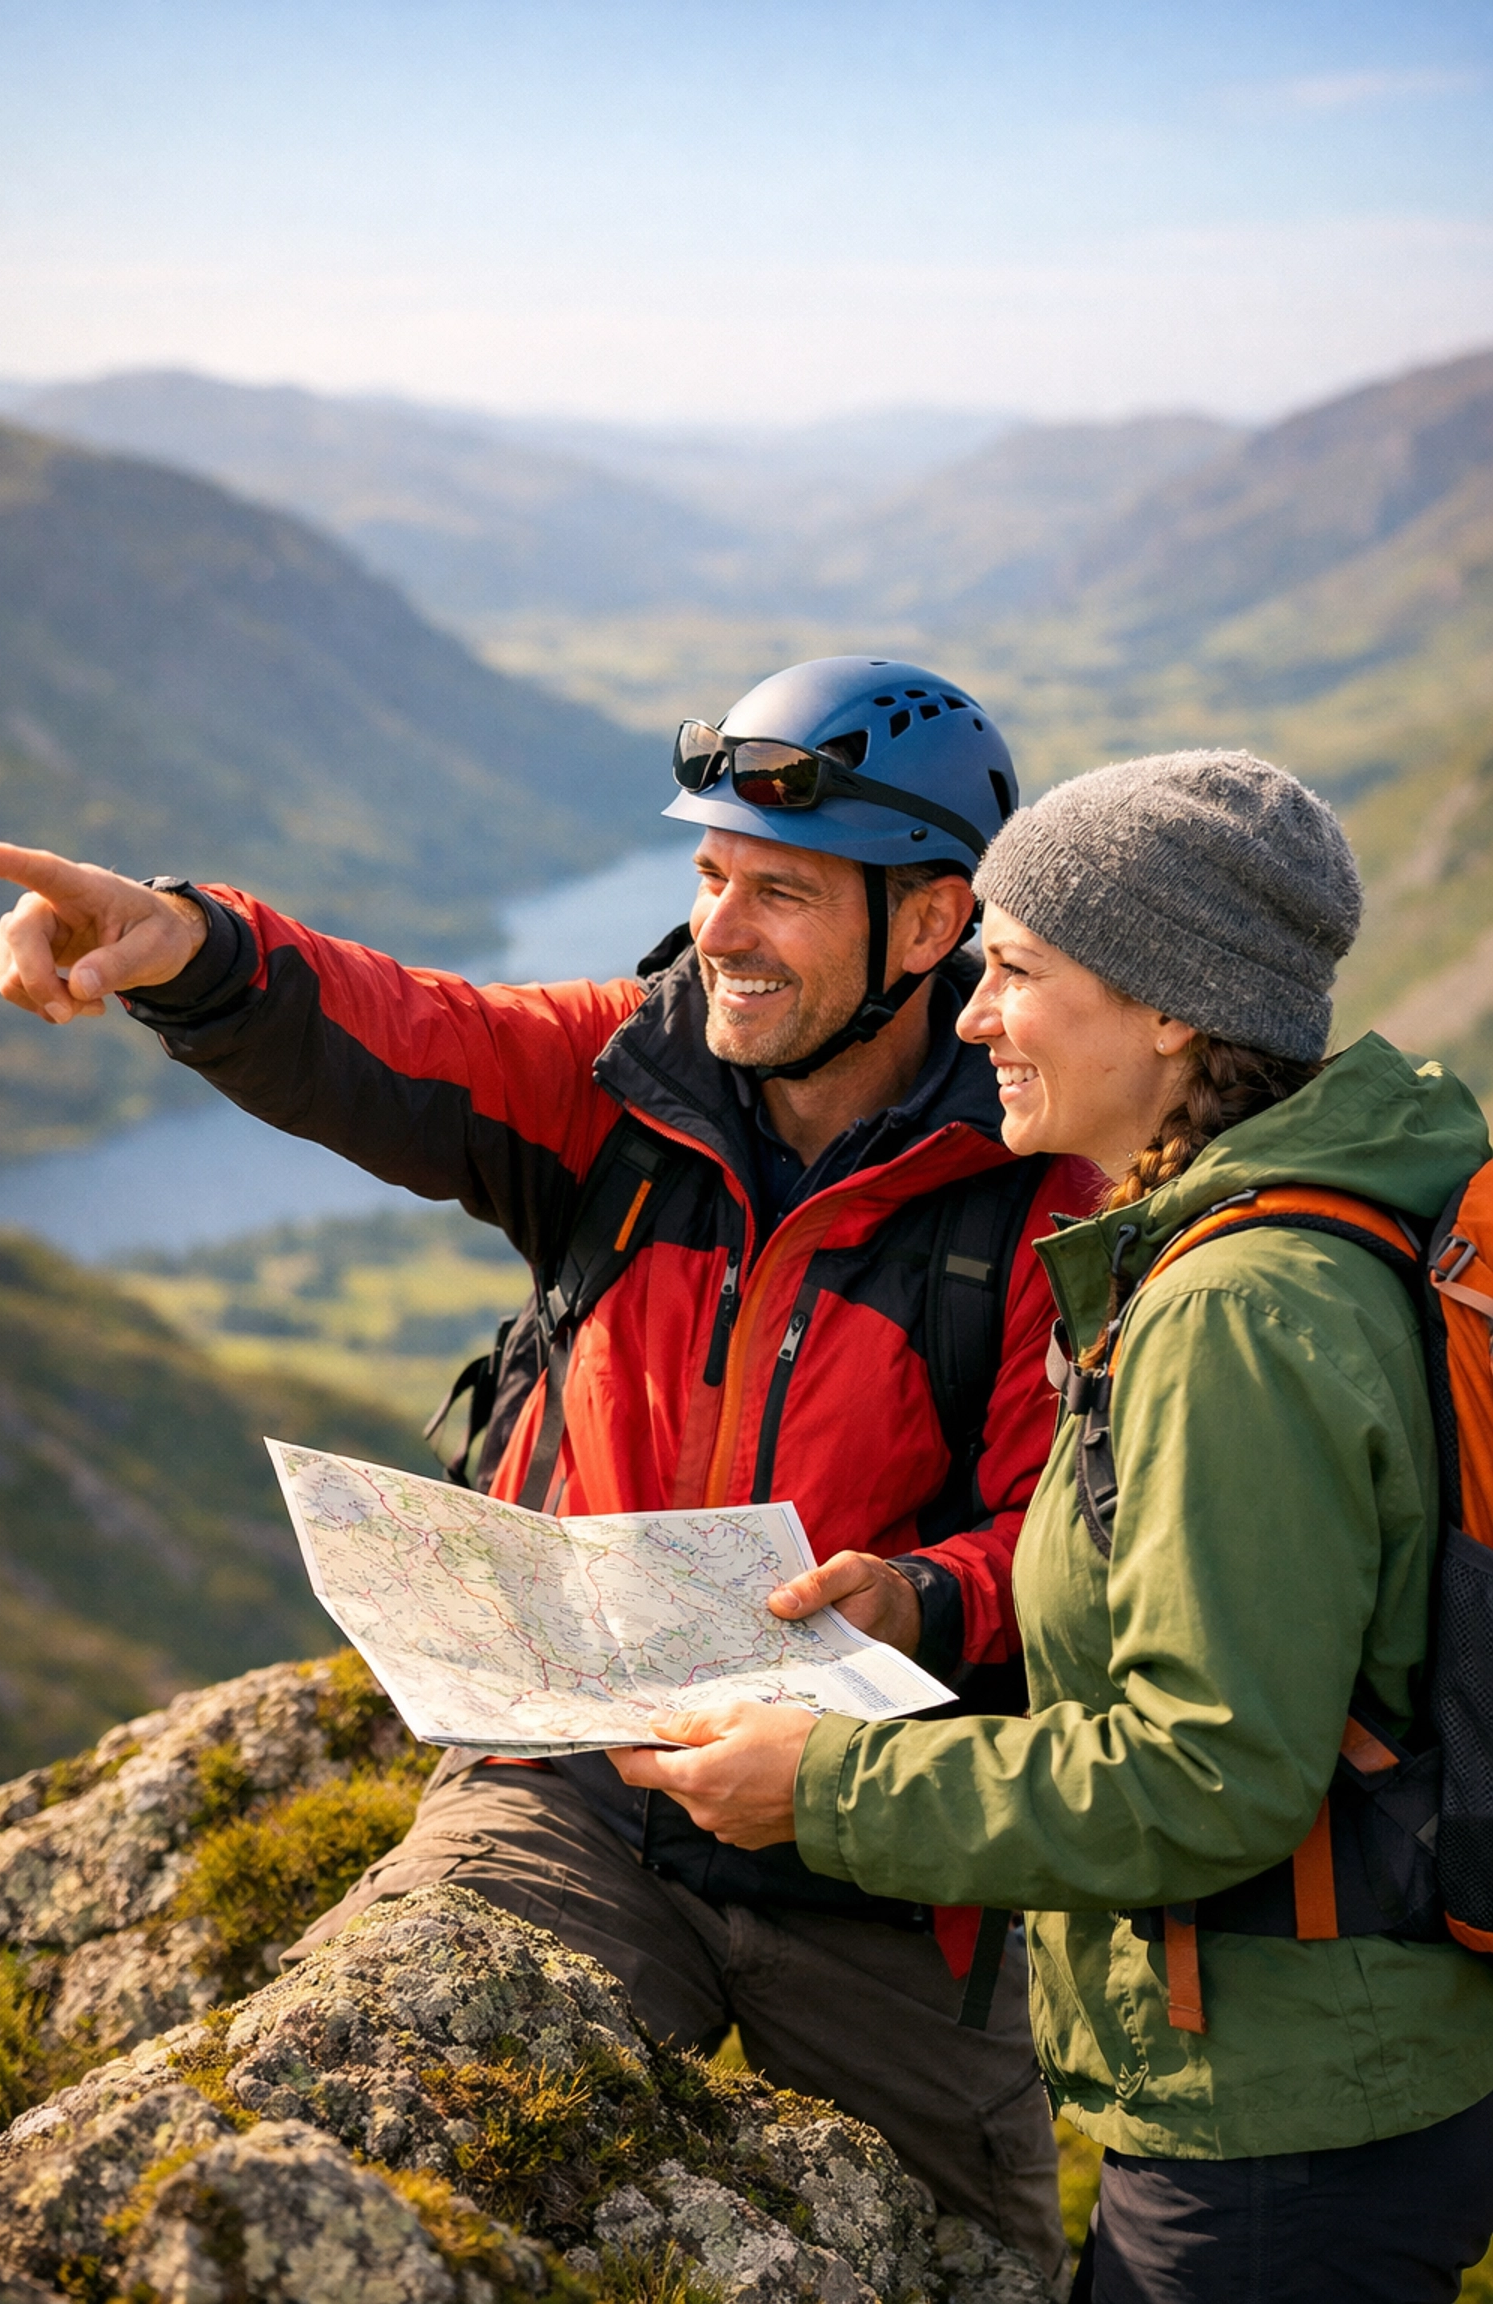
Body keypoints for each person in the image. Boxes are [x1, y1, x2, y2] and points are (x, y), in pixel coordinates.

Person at [0, 655, 1101, 2290]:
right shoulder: (625, 1089)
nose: (720, 927)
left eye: (780, 890)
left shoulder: (1033, 1196)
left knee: (969, 2273)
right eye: (710, 875)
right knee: (352, 2102)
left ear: (930, 929)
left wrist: (924, 1596)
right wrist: (195, 949)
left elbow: (1055, 1539)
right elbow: (404, 1031)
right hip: (577, 1787)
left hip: (884, 1852)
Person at [612, 750, 1493, 2304]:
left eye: (1011, 970)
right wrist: (919, 1602)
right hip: (1314, 2082)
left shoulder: (1238, 1308)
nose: (966, 1016)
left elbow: (1202, 1775)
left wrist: (824, 1783)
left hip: (1286, 2135)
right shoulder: (1297, 1235)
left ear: (1170, 1008)